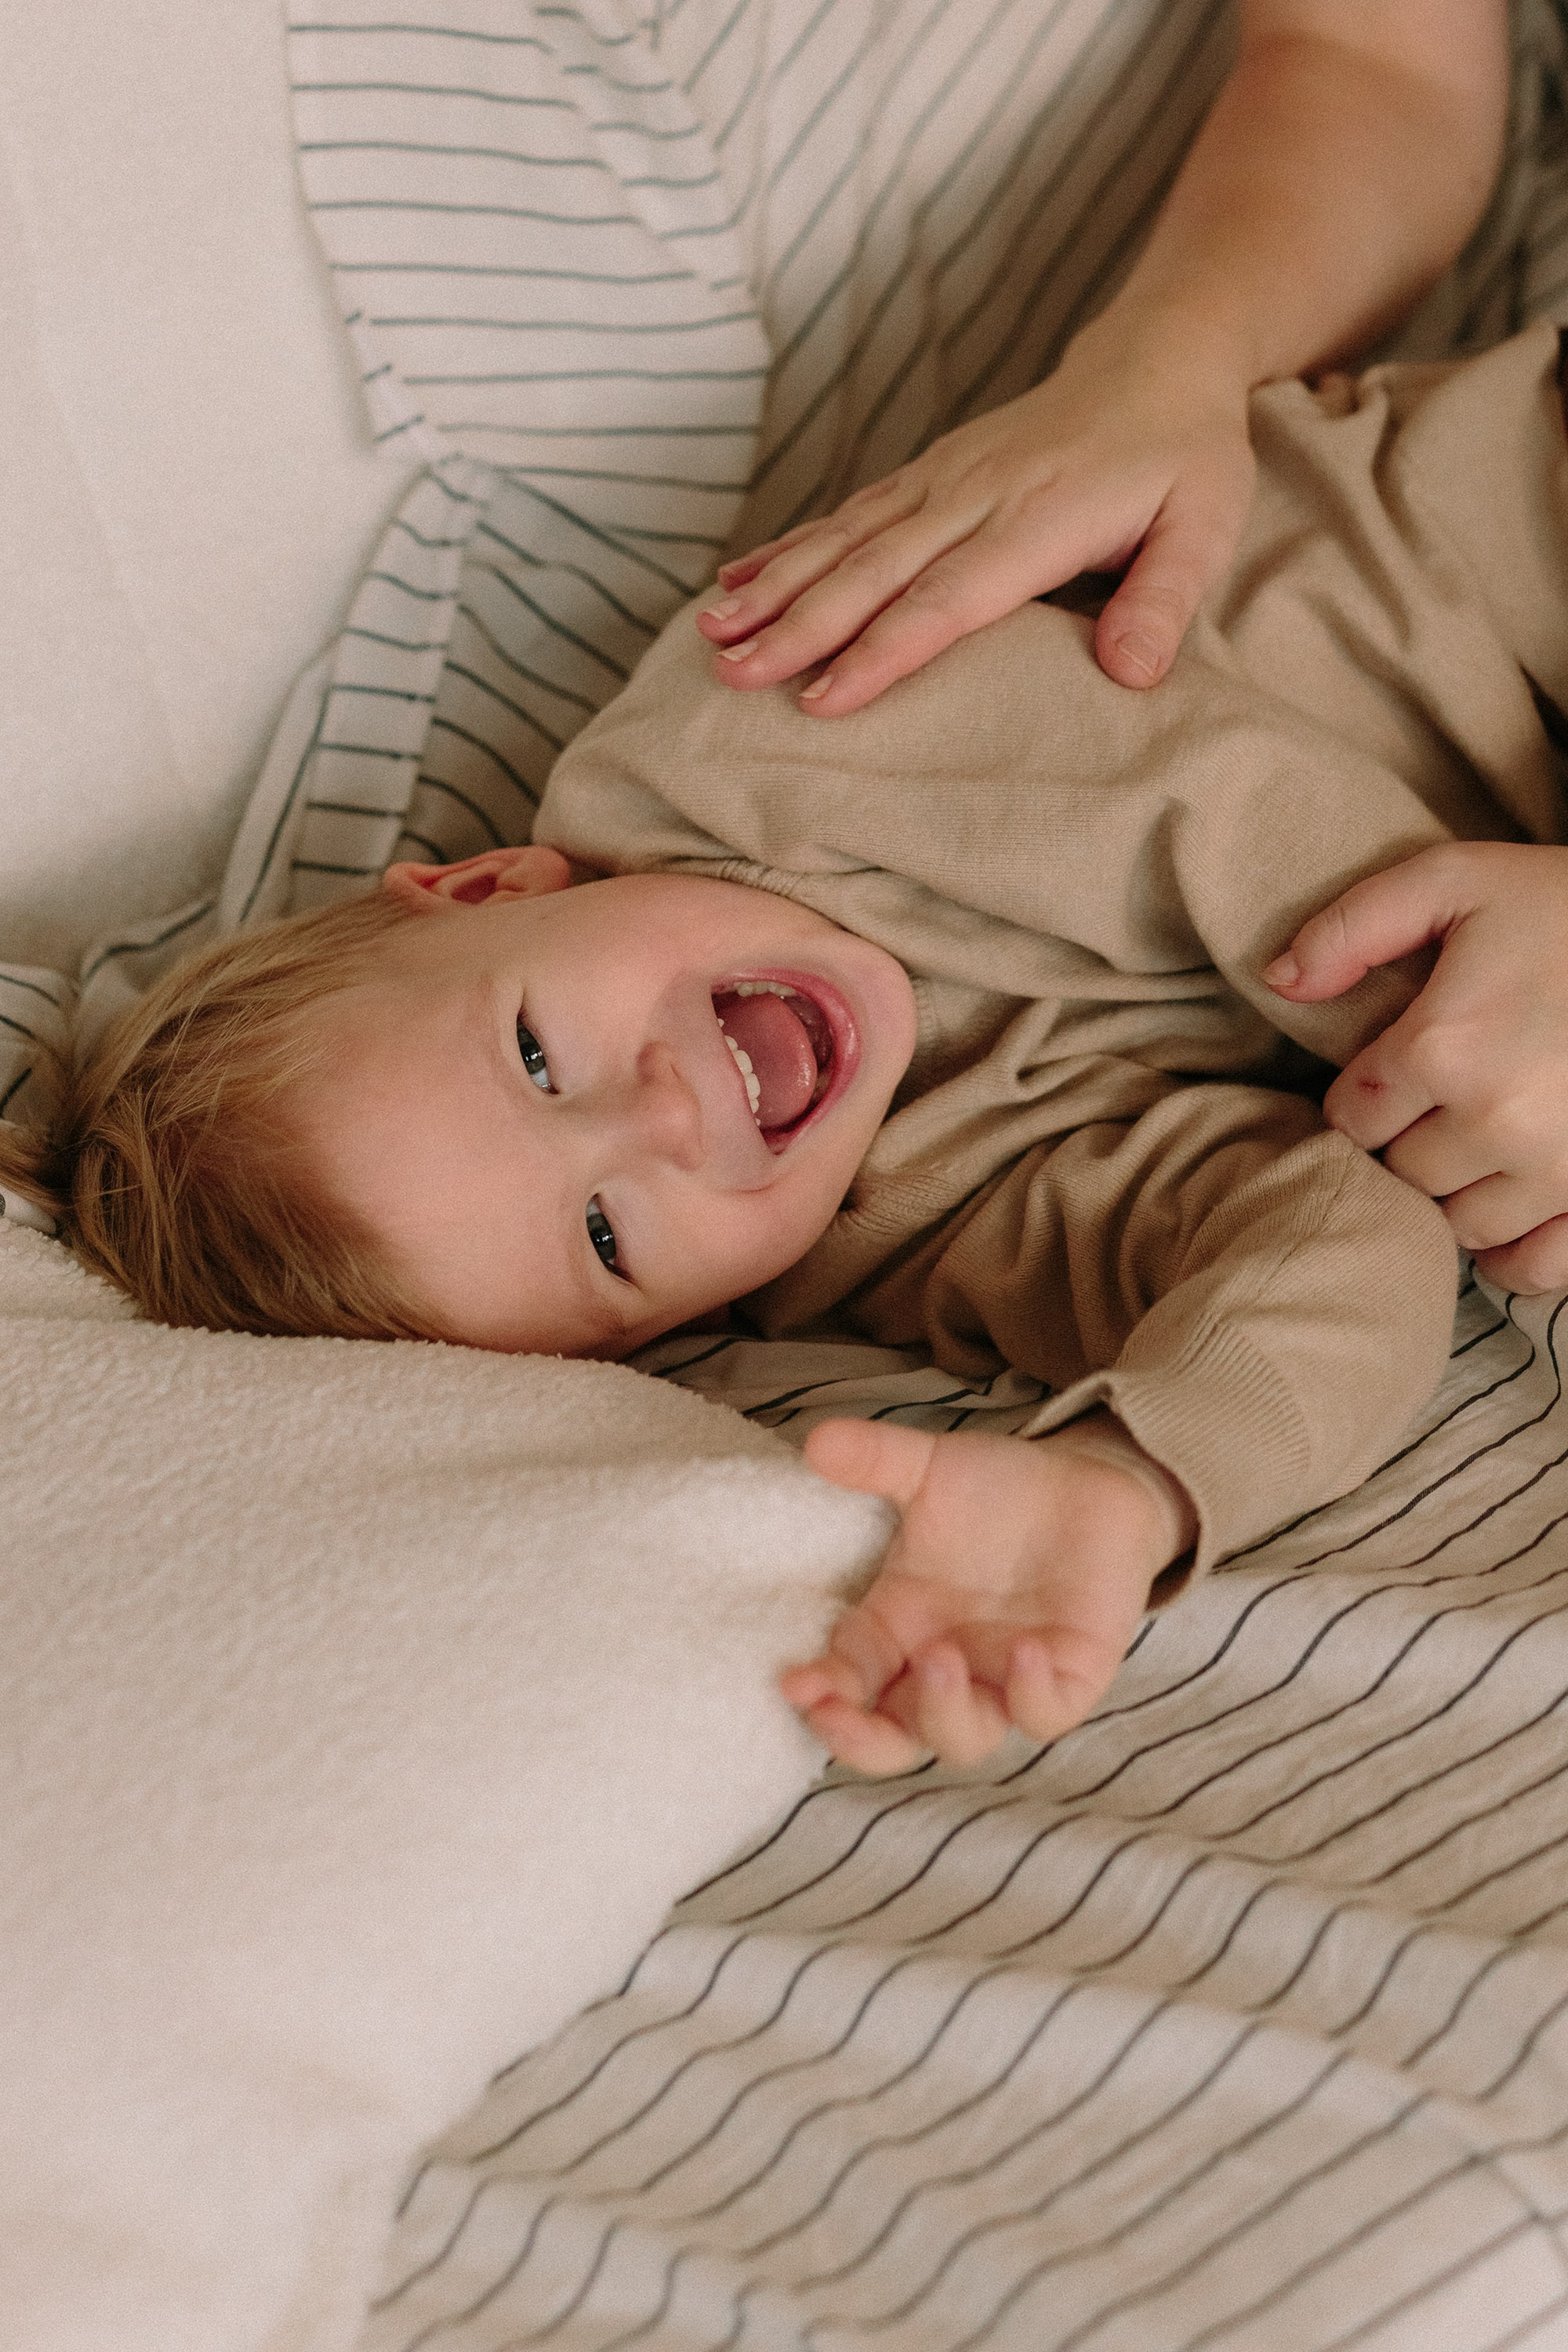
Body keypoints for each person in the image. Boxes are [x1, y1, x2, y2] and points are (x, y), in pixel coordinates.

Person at [6, 321, 1566, 1776]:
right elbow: (1328, 1240)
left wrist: (1460, 1038)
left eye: (542, 1056)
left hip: (1495, 532)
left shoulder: (757, 729)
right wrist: (1135, 1473)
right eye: (609, 1234)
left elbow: (1214, 804)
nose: (666, 1113)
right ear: (643, 1344)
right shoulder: (901, 1239)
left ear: (491, 886)